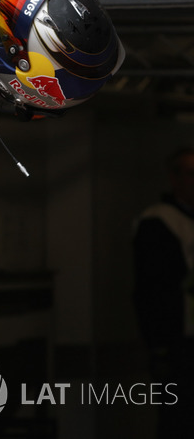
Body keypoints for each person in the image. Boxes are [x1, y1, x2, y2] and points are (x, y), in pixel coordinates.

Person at [133, 147, 194, 438]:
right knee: (178, 421)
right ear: (175, 179)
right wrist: (159, 346)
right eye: (191, 174)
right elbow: (152, 288)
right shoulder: (159, 222)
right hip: (178, 344)